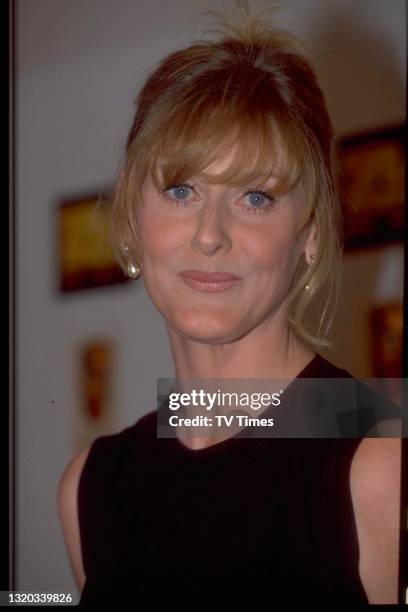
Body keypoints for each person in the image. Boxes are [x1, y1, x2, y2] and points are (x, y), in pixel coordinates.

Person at [57, 2, 402, 605]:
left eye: (256, 197)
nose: (209, 235)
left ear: (312, 233)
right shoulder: (90, 485)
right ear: (134, 221)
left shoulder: (379, 457)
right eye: (182, 189)